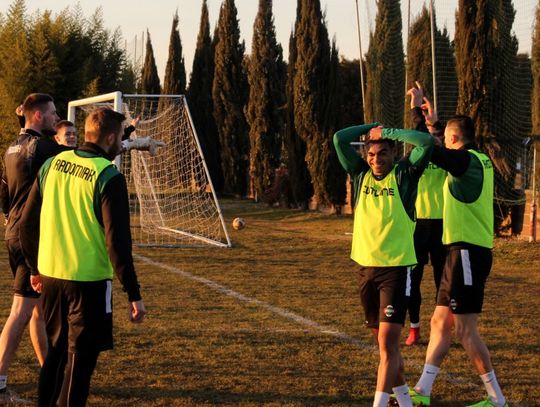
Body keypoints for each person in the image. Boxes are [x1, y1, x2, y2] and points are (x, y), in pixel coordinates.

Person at [19, 108, 146, 407]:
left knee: (55, 354)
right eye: (120, 138)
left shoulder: (52, 164)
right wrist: (134, 293)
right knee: (80, 363)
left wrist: (35, 268)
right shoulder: (108, 175)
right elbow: (117, 243)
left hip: (51, 276)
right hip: (88, 282)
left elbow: (26, 224)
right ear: (110, 138)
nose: (121, 145)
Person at [390, 102, 507, 407]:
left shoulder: (466, 161)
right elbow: (439, 144)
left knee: (465, 330)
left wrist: (388, 131)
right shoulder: (478, 158)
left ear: (453, 139)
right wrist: (432, 123)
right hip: (462, 251)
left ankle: (497, 400)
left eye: (446, 139)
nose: (444, 143)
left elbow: (428, 145)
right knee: (440, 322)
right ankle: (423, 391)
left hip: (467, 252)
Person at [333, 123, 434, 407]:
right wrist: (370, 128)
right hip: (366, 271)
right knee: (385, 349)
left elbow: (426, 142)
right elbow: (339, 139)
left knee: (388, 347)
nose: (376, 159)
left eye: (383, 154)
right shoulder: (360, 175)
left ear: (393, 154)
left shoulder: (404, 175)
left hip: (396, 271)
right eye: (371, 154)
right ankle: (405, 403)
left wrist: (387, 132)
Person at [0, 93, 70, 402]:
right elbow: (81, 157)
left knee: (37, 312)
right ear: (39, 116)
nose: (57, 118)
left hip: (14, 233)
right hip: (31, 237)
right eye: (53, 113)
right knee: (20, 311)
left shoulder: (11, 148)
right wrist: (128, 141)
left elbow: (4, 194)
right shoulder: (42, 147)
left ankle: (49, 374)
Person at [404, 83, 447, 346]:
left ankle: (441, 330)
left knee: (443, 281)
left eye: (437, 136)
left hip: (442, 226)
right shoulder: (415, 158)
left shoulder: (446, 158)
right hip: (417, 225)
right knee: (413, 279)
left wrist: (431, 121)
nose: (433, 140)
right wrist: (416, 112)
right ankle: (415, 328)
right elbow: (418, 137)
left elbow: (440, 139)